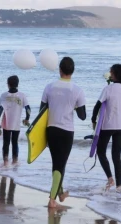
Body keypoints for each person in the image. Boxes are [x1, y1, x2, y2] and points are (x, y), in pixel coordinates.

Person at [40, 57, 86, 208]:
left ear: (60, 70)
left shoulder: (49, 87)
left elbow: (42, 111)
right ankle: (52, 200)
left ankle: (59, 194)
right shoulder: (77, 90)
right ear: (72, 71)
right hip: (66, 131)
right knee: (60, 164)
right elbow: (82, 116)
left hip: (51, 129)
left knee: (56, 163)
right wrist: (72, 105)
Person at [91, 64, 121, 193]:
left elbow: (97, 106)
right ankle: (119, 186)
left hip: (107, 125)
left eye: (111, 72)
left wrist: (93, 120)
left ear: (115, 74)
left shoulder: (108, 89)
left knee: (101, 152)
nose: (110, 73)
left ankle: (110, 178)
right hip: (120, 126)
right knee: (116, 156)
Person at [0, 75, 31, 164]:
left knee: (6, 143)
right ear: (17, 84)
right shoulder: (22, 96)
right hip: (16, 123)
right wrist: (27, 119)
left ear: (8, 84)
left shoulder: (4, 95)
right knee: (15, 142)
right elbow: (28, 109)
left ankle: (5, 162)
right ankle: (15, 161)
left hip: (6, 123)